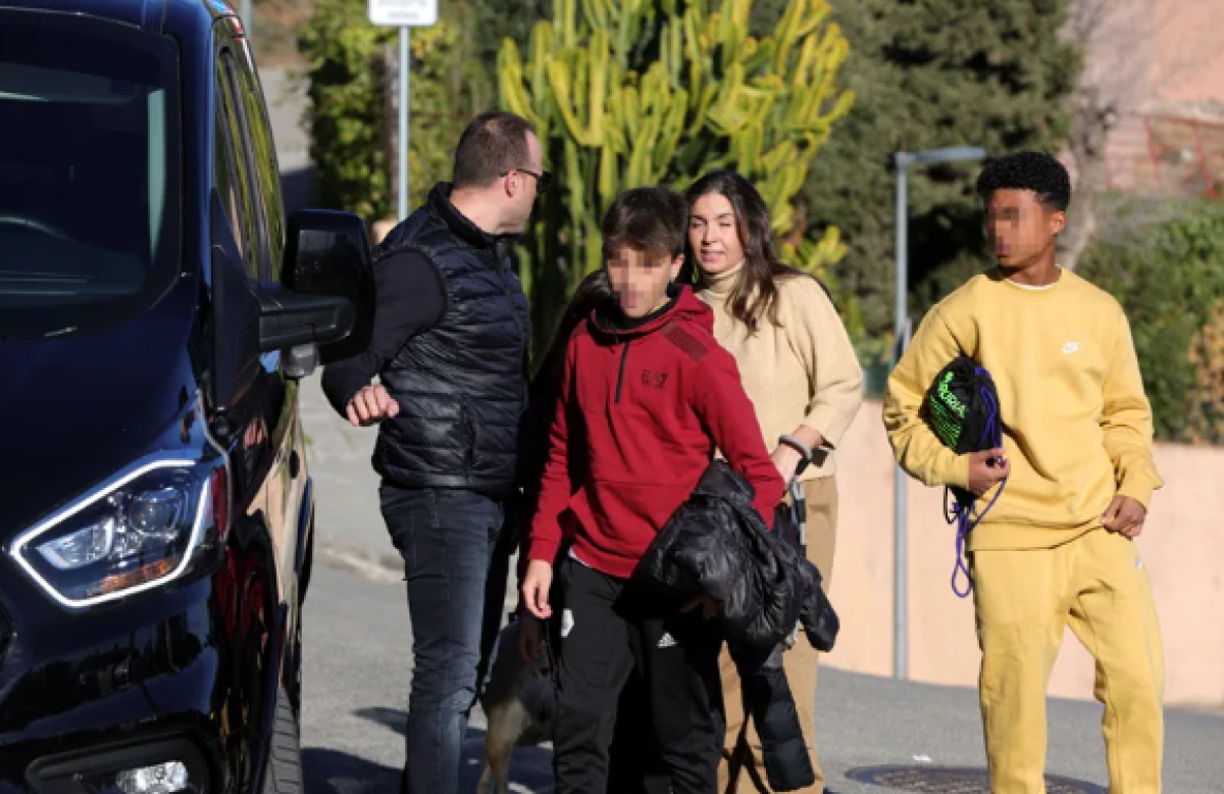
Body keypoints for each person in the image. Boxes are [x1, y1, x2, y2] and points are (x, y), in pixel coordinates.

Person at [883, 151, 1165, 793]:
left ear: (1056, 220)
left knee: (1140, 684)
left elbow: (1126, 416)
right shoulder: (963, 310)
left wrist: (1136, 488)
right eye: (992, 217)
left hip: (1100, 531)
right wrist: (955, 467)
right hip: (1008, 535)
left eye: (1014, 215)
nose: (999, 229)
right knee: (1014, 708)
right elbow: (903, 410)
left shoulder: (1100, 312)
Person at [520, 187, 786, 794]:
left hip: (674, 583)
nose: (631, 279)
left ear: (674, 266)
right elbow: (561, 459)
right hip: (590, 572)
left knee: (682, 747)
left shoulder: (700, 357)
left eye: (648, 263)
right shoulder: (584, 343)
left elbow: (759, 478)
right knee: (580, 734)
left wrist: (724, 579)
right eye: (619, 261)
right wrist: (540, 555)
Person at [320, 111, 545, 794]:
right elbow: (349, 351)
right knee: (447, 676)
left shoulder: (483, 253)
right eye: (538, 178)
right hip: (440, 492)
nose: (541, 191)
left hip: (484, 493)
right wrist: (358, 386)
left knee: (463, 673)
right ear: (511, 179)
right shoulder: (421, 262)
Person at [684, 170, 863, 794]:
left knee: (783, 664)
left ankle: (793, 786)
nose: (710, 238)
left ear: (750, 228)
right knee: (721, 671)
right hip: (714, 514)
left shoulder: (793, 295)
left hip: (794, 501)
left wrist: (791, 450)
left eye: (724, 223)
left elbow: (843, 384)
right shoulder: (681, 306)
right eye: (699, 223)